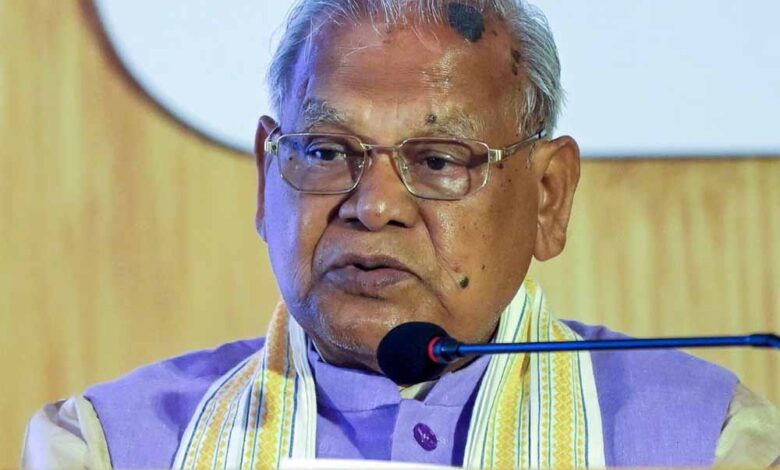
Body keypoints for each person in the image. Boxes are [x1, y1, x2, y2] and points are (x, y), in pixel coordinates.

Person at [23, 0, 780, 468]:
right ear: (266, 175)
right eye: (327, 151)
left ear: (549, 197)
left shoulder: (708, 442)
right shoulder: (107, 449)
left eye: (438, 159)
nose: (374, 205)